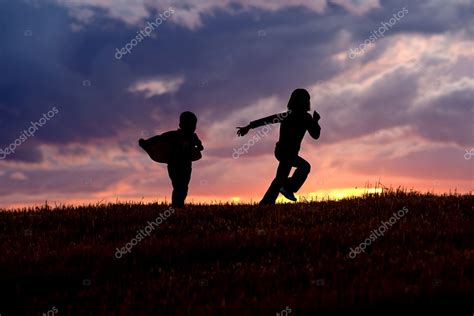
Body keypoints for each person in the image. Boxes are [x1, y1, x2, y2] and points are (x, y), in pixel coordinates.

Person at [236, 89, 321, 204]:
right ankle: (287, 187)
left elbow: (315, 135)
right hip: (284, 152)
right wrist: (249, 126)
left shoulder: (304, 118)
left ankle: (266, 203)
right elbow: (267, 120)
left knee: (280, 178)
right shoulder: (293, 116)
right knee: (305, 167)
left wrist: (315, 121)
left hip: (286, 153)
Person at [139, 111, 204, 208]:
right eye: (189, 124)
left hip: (186, 165)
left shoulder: (193, 137)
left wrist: (198, 147)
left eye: (194, 125)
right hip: (174, 164)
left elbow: (200, 146)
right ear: (181, 124)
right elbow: (159, 138)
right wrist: (146, 142)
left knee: (184, 185)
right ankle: (176, 206)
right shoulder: (173, 135)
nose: (192, 127)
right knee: (178, 185)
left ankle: (178, 205)